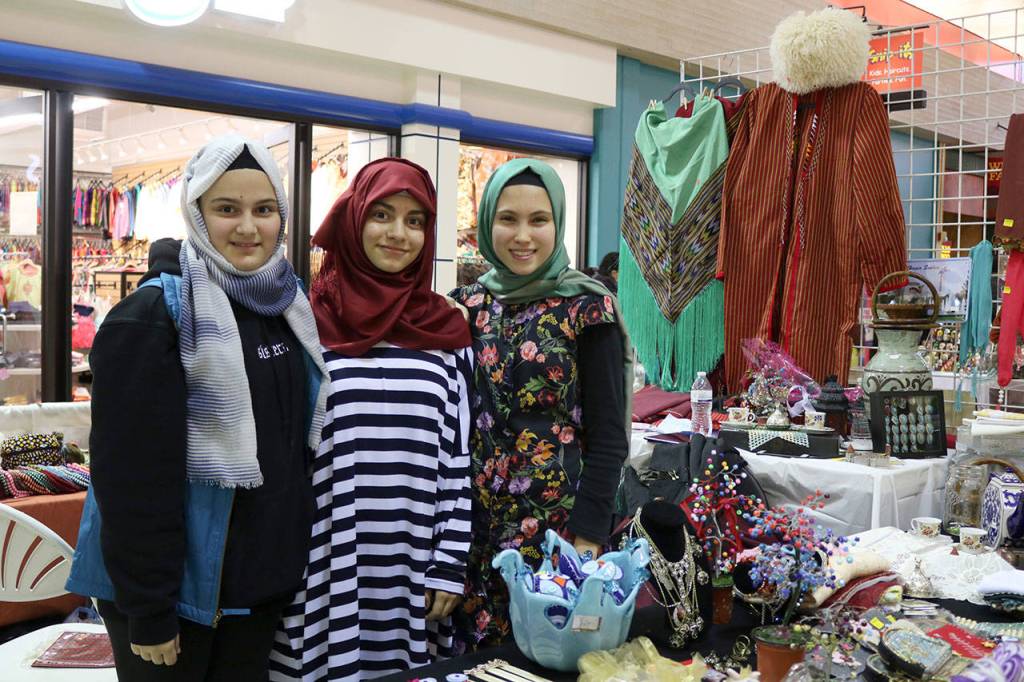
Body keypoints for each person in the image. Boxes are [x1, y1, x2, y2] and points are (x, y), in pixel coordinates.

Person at [66, 135, 330, 681]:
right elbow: (130, 480)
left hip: (254, 589)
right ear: (196, 212)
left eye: (264, 210)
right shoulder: (153, 317)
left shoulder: (287, 304)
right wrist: (149, 610)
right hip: (174, 595)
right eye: (227, 209)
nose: (248, 227)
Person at [269, 158, 474, 681]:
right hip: (325, 561)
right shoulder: (303, 321)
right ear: (353, 218)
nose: (398, 233)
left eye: (415, 220)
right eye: (382, 214)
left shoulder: (446, 332)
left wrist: (449, 563)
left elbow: (457, 458)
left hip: (412, 565)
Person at [449, 158, 631, 648]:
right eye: (508, 219)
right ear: (487, 223)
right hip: (477, 529)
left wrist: (588, 534)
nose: (523, 235)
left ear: (558, 223)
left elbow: (611, 436)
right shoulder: (464, 306)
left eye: (539, 220)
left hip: (560, 531)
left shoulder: (587, 307)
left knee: (552, 657)